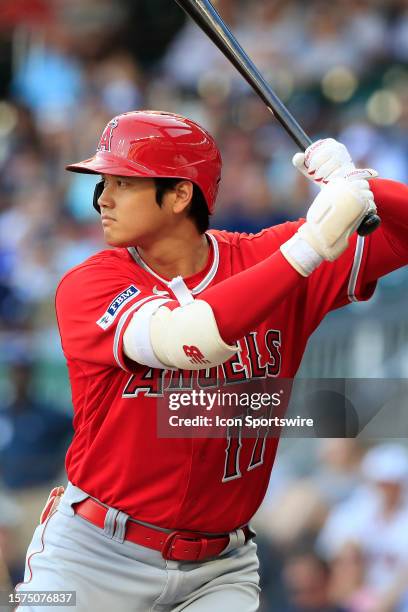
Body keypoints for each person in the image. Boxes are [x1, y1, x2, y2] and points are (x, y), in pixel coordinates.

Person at [15, 110, 408, 611]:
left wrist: (362, 185)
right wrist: (307, 247)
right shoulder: (90, 283)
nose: (102, 199)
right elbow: (191, 339)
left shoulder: (265, 255)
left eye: (123, 182)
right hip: (93, 554)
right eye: (103, 182)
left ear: (180, 195)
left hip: (219, 570)